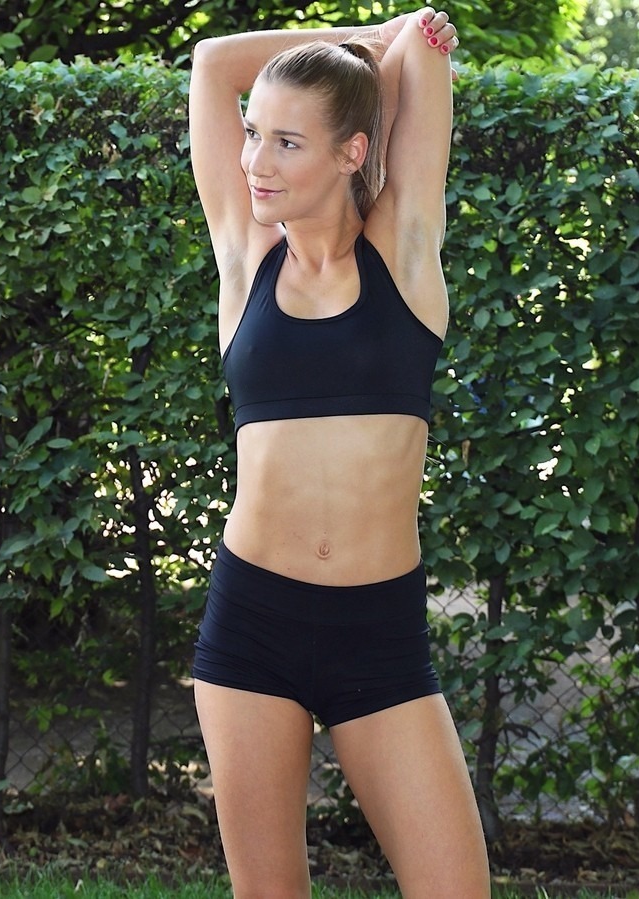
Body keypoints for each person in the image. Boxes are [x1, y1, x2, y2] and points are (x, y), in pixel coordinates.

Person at [187, 7, 490, 898]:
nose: (255, 161)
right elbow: (211, 62)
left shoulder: (404, 250)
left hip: (377, 633)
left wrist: (406, 40)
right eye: (253, 135)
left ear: (353, 152)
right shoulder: (245, 256)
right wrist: (368, 33)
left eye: (287, 143)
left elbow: (425, 52)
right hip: (252, 623)